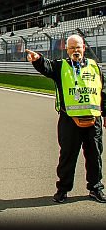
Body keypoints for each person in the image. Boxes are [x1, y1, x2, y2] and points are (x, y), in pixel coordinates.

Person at [26, 34, 106, 203]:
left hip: (93, 120)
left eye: (78, 47)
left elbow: (102, 91)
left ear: (84, 48)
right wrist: (37, 59)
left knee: (95, 156)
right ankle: (62, 190)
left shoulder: (94, 66)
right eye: (72, 48)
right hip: (69, 120)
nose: (75, 50)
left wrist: (105, 113)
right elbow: (46, 66)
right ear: (67, 50)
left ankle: (96, 188)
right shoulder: (61, 66)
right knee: (67, 156)